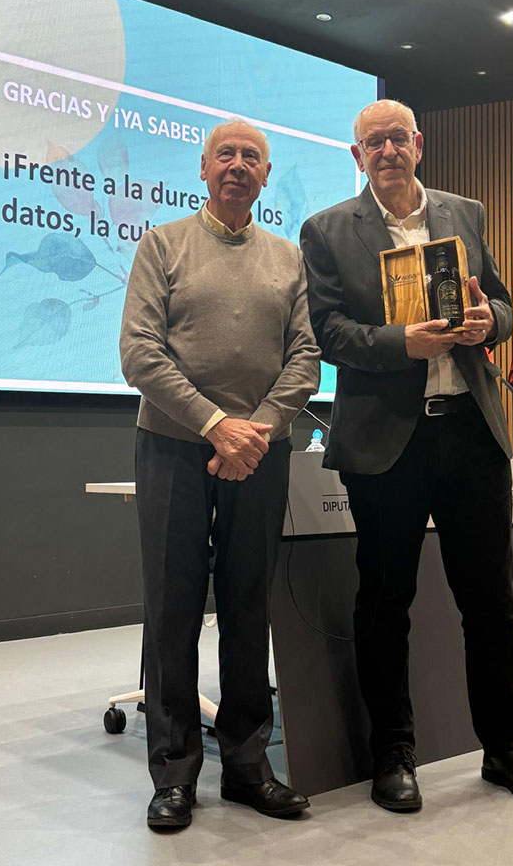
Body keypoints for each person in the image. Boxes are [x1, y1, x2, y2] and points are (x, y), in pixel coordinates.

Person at [300, 99, 513, 812]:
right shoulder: (326, 230)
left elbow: (504, 306)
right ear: (357, 156)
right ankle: (394, 752)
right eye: (373, 142)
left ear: (418, 144)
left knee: (491, 602)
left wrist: (488, 322)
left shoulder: (464, 213)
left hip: (471, 435)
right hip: (388, 441)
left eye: (398, 138)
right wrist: (402, 344)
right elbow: (327, 331)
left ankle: (505, 747)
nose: (387, 150)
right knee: (386, 603)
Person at [120, 119, 320, 829]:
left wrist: (253, 430)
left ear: (266, 175)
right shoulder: (162, 245)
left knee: (247, 606)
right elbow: (139, 353)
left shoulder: (289, 258)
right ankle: (174, 773)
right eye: (225, 155)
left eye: (252, 157)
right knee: (172, 608)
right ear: (202, 169)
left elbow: (306, 357)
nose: (238, 165)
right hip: (173, 446)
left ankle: (246, 766)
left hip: (259, 452)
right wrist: (215, 424)